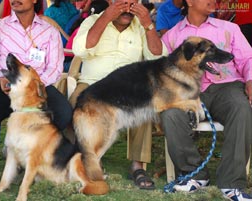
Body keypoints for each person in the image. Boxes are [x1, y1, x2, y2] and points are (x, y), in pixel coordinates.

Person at [0, 0, 72, 198]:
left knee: (63, 112)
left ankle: (33, 159)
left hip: (35, 87)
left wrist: (33, 86)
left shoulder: (49, 32)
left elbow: (55, 68)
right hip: (2, 85)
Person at [160, 0, 252, 200]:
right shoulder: (172, 35)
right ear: (190, 2)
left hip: (226, 87)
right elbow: (164, 70)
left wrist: (251, 79)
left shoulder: (230, 28)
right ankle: (193, 173)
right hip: (188, 92)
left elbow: (248, 59)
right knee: (170, 114)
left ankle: (232, 183)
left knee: (241, 107)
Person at [71, 0, 167, 190]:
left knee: (145, 106)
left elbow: (158, 57)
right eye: (122, 2)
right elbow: (80, 49)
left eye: (133, 2)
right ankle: (87, 160)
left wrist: (148, 24)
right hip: (92, 84)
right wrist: (107, 16)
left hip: (127, 87)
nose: (128, 7)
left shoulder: (141, 26)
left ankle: (138, 166)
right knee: (76, 102)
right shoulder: (92, 21)